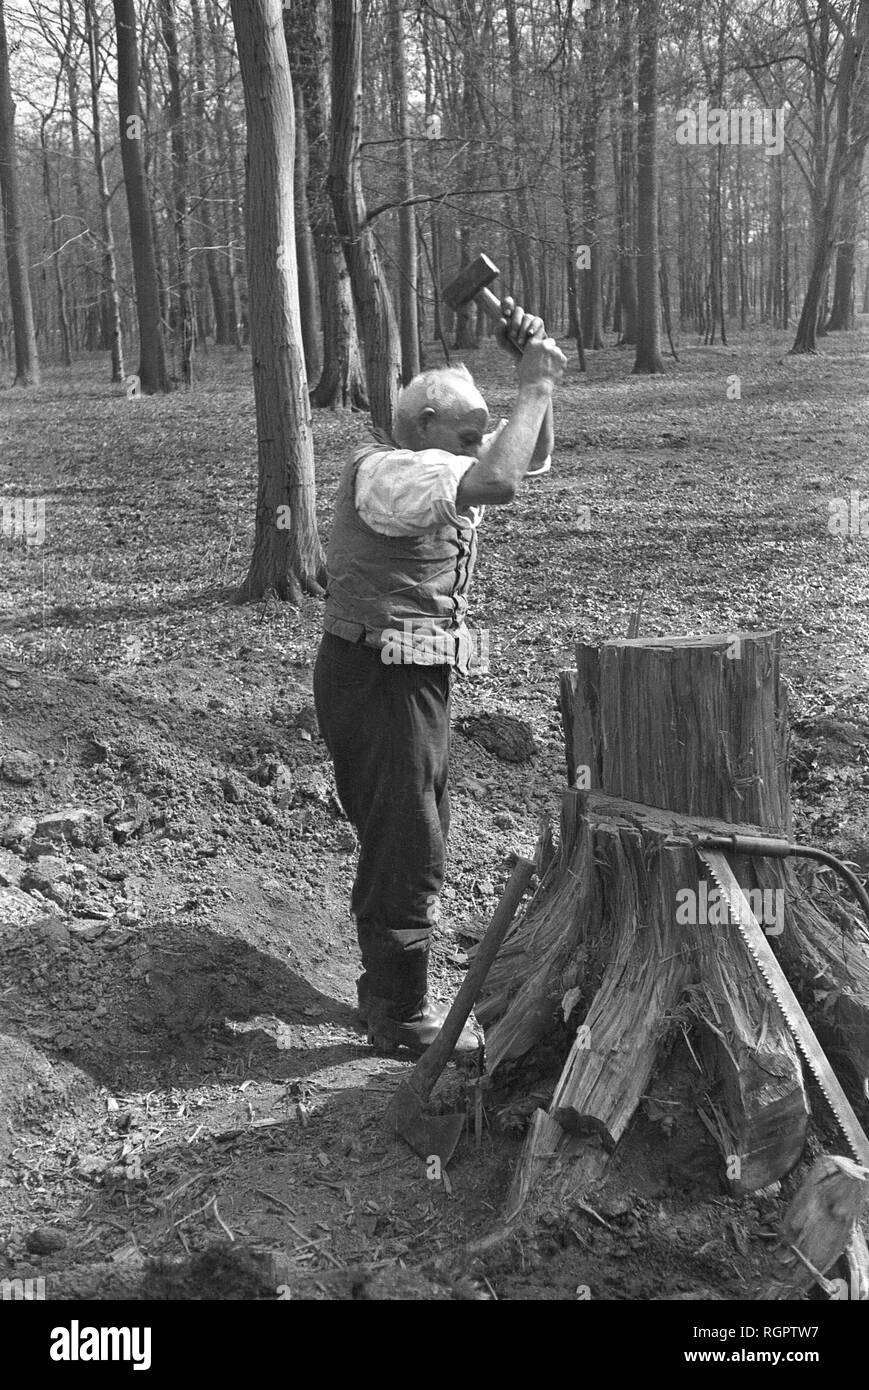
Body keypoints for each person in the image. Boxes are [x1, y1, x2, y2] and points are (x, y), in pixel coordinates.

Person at [313, 299, 567, 1055]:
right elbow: (500, 481)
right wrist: (535, 386)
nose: (482, 440)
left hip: (411, 669)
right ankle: (398, 1014)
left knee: (415, 825)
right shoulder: (396, 472)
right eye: (469, 430)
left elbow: (527, 457)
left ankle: (386, 991)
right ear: (424, 423)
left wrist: (533, 372)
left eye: (485, 429)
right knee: (407, 838)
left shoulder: (444, 459)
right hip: (375, 671)